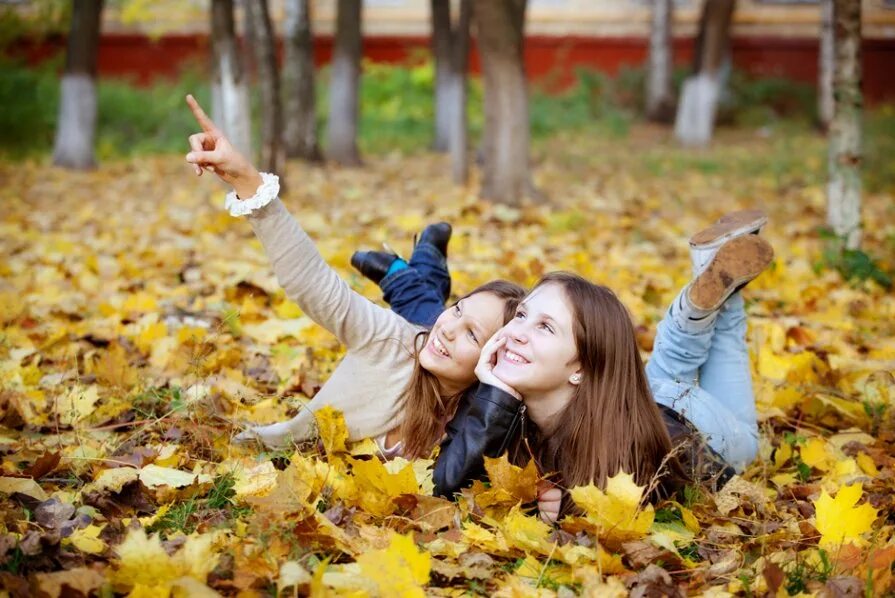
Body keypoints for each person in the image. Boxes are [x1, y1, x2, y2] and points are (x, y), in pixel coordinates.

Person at [182, 95, 525, 458]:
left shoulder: (493, 421)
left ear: (494, 360)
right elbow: (313, 284)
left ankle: (416, 268)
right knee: (424, 316)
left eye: (472, 333)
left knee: (424, 305)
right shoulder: (395, 343)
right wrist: (248, 181)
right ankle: (420, 264)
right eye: (457, 310)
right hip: (412, 334)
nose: (451, 328)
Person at [424, 212, 773, 522]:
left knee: (747, 439)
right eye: (521, 315)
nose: (516, 333)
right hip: (632, 393)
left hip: (693, 418)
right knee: (668, 367)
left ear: (580, 367)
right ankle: (703, 289)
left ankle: (715, 295)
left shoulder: (649, 449)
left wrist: (573, 510)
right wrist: (494, 394)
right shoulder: (501, 403)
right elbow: (442, 487)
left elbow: (733, 492)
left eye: (545, 327)